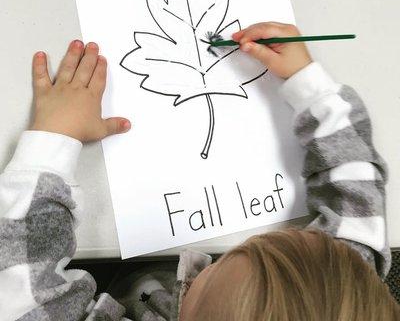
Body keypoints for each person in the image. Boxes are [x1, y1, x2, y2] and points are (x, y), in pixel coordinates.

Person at [0, 23, 398, 320]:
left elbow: (18, 288)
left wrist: (53, 138)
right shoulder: (340, 290)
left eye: (210, 273)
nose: (215, 255)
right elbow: (356, 190)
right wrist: (309, 85)